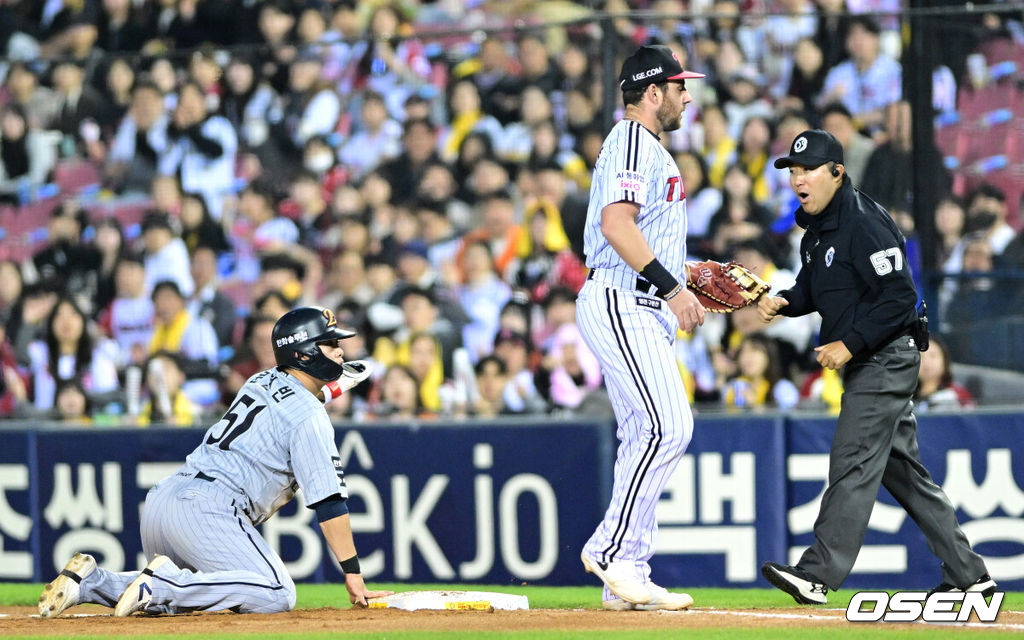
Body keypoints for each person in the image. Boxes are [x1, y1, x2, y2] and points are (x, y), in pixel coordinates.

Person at [757, 129, 995, 604]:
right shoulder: (818, 226)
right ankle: (971, 576)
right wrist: (783, 302)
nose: (799, 179)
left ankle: (818, 573)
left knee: (852, 456)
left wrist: (848, 343)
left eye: (808, 170)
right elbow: (816, 286)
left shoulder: (864, 222)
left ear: (837, 172)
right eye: (793, 171)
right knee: (903, 472)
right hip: (871, 357)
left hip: (887, 353)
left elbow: (901, 297)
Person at [38, 306, 390, 618]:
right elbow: (330, 503)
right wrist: (353, 573)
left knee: (199, 595)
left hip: (164, 503)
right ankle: (160, 584)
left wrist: (330, 388)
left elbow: (297, 394)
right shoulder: (309, 416)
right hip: (210, 512)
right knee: (276, 592)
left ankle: (93, 583)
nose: (341, 350)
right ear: (306, 353)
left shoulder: (260, 379)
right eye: (331, 344)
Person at [576, 44, 706, 612]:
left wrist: (688, 272)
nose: (686, 95)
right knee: (670, 427)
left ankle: (625, 574)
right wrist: (673, 287)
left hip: (638, 302)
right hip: (622, 299)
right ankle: (613, 551)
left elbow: (639, 228)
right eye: (679, 86)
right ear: (652, 93)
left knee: (642, 436)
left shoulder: (646, 147)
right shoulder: (632, 139)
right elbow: (615, 223)